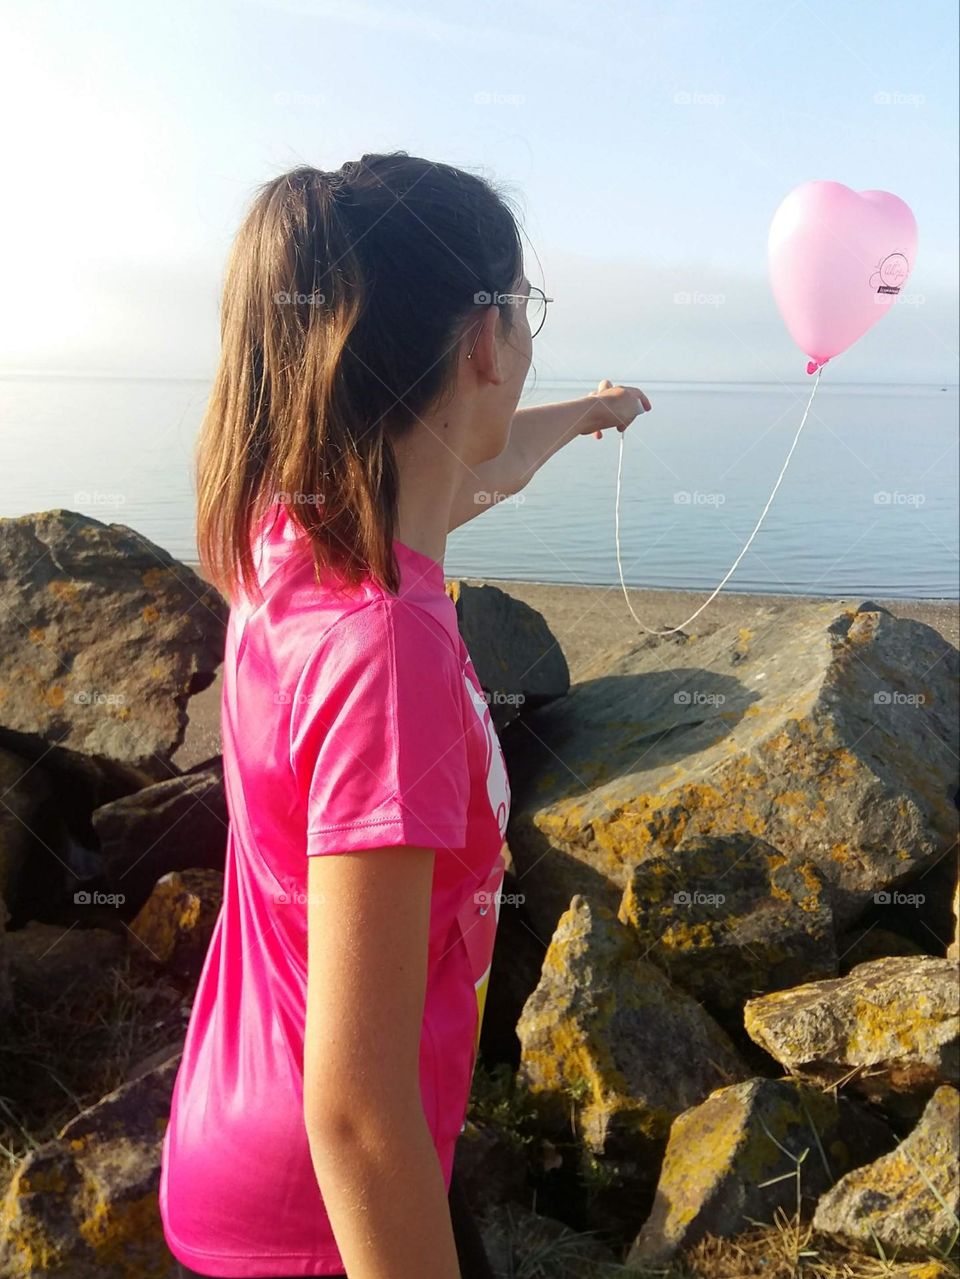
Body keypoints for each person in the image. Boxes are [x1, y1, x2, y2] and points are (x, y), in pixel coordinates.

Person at [158, 152, 650, 1279]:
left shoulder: (288, 532)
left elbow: (469, 471)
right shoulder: (390, 655)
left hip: (243, 1156)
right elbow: (357, 1115)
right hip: (324, 1218)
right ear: (484, 343)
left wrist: (590, 413)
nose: (530, 344)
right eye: (524, 313)